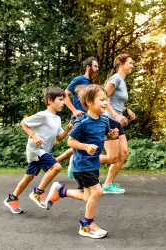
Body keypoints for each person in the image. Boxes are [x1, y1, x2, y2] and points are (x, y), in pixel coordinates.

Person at [45, 84, 119, 239]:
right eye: (101, 100)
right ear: (89, 102)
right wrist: (85, 147)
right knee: (98, 192)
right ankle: (86, 225)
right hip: (82, 164)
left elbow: (102, 137)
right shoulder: (82, 122)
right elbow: (70, 142)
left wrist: (112, 135)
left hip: (93, 164)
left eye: (106, 99)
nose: (105, 103)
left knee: (87, 197)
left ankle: (61, 191)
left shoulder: (104, 120)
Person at [3, 87, 73, 214]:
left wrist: (67, 131)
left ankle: (12, 199)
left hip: (41, 151)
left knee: (28, 178)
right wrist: (34, 136)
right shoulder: (43, 115)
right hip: (35, 149)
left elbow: (59, 137)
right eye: (60, 100)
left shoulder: (57, 119)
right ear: (50, 100)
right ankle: (38, 193)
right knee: (56, 167)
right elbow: (24, 123)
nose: (63, 103)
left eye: (64, 100)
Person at [101, 54, 136, 194]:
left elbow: (114, 102)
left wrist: (125, 110)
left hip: (115, 119)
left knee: (123, 153)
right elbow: (103, 98)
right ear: (121, 64)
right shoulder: (115, 78)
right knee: (113, 157)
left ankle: (107, 185)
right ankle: (78, 160)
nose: (132, 65)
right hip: (109, 119)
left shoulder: (121, 80)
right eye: (130, 63)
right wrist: (116, 115)